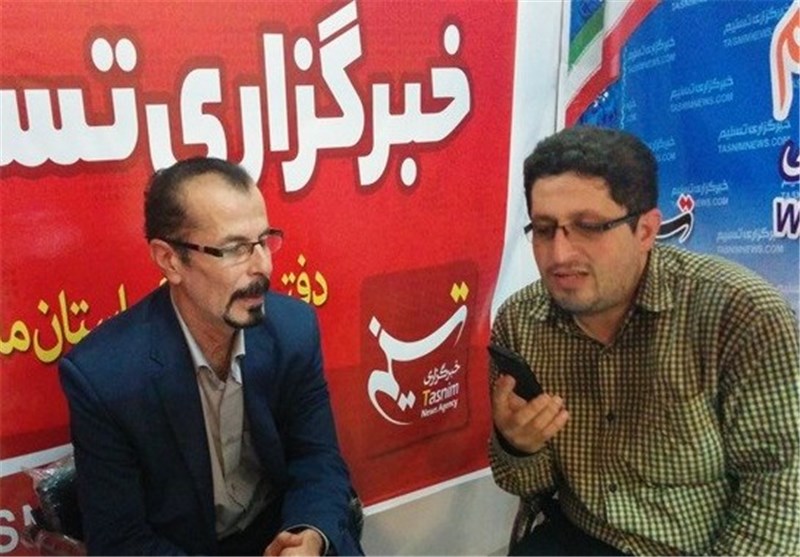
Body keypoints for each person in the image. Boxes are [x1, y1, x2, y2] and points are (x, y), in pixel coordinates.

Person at [489, 126, 799, 556]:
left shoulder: (741, 315)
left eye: (589, 227)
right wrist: (518, 446)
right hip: (579, 533)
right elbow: (528, 485)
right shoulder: (520, 323)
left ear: (646, 231)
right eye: (544, 229)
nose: (559, 255)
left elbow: (781, 498)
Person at [59, 157, 363, 556]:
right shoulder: (104, 377)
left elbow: (317, 458)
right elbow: (121, 541)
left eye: (264, 241)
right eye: (235, 248)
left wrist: (308, 535)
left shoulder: (293, 329)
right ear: (169, 260)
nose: (262, 266)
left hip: (279, 529)